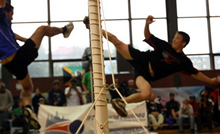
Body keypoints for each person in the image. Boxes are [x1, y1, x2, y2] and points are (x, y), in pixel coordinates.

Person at [101, 15, 219, 117]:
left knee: (146, 94)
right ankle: (96, 28)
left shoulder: (183, 62)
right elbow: (148, 36)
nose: (174, 39)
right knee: (118, 43)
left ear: (183, 43)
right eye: (174, 37)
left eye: (177, 38)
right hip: (142, 59)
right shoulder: (165, 45)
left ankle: (120, 102)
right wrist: (147, 24)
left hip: (144, 74)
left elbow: (196, 74)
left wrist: (210, 80)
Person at [0, 1, 73, 129]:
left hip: (9, 65)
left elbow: (13, 35)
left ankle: (28, 108)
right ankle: (65, 30)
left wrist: (26, 40)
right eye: (12, 14)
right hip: (17, 57)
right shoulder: (1, 15)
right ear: (6, 12)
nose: (12, 17)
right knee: (42, 29)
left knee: (28, 89)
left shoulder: (5, 27)